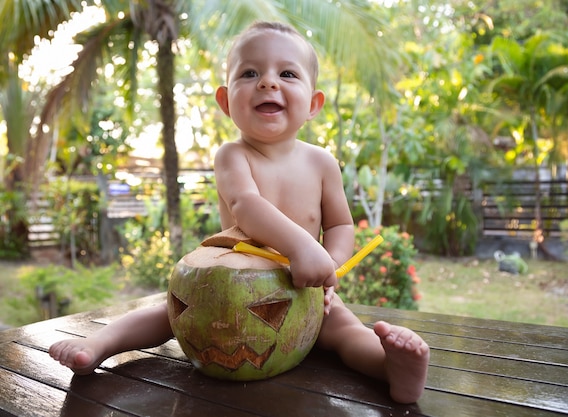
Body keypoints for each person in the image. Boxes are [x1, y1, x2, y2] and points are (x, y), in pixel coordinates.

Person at [49, 21, 430, 404]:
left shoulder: (322, 162)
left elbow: (340, 223)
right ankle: (99, 345)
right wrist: (301, 246)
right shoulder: (232, 155)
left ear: (313, 104)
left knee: (346, 330)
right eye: (250, 73)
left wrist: (330, 265)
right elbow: (245, 206)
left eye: (286, 73)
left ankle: (391, 367)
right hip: (231, 288)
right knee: (169, 313)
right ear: (225, 101)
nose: (268, 82)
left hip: (303, 289)